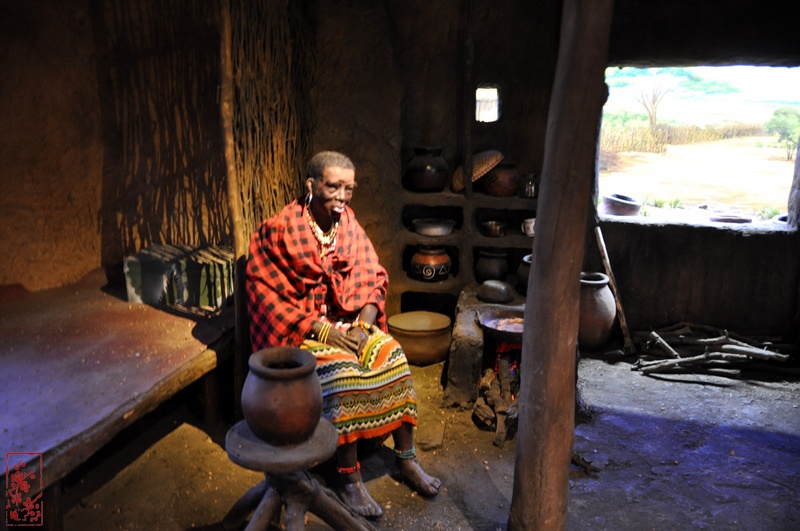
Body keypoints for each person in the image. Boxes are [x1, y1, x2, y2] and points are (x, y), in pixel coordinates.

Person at [246, 150, 441, 517]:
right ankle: (349, 478)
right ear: (311, 185)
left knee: (393, 354)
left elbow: (373, 278)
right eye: (333, 186)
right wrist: (321, 330)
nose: (342, 195)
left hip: (349, 324)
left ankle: (406, 459)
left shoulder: (347, 224)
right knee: (343, 373)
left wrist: (365, 326)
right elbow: (263, 291)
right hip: (300, 333)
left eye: (349, 188)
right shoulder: (280, 230)